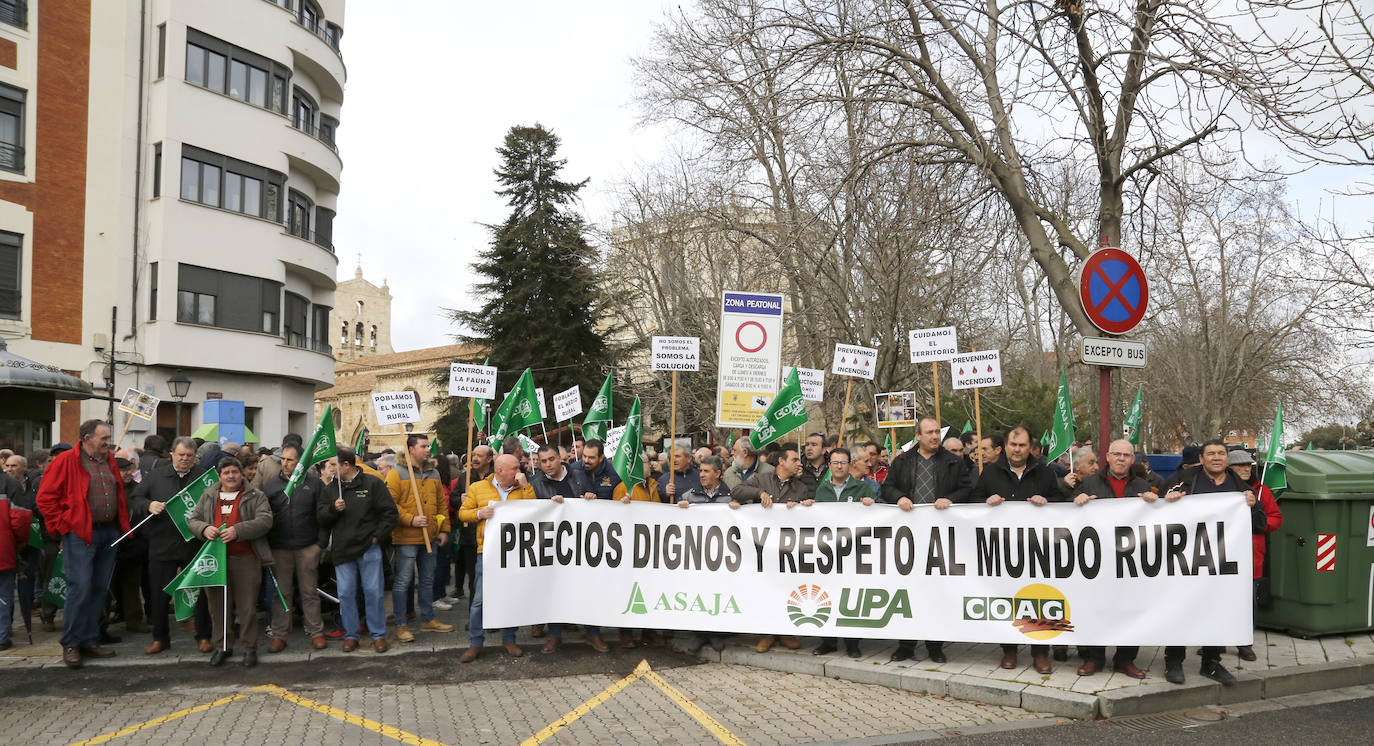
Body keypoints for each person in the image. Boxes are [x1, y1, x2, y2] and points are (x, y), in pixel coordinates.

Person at [966, 425, 1065, 674]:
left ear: (1030, 448)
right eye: (1013, 445)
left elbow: (1060, 502)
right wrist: (986, 502)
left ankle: (1040, 653)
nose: (1017, 450)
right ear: (1006, 447)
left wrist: (1047, 501)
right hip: (1003, 549)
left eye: (1022, 445)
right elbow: (973, 501)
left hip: (1037, 549)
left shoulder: (1044, 472)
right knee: (1007, 598)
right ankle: (1009, 650)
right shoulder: (990, 472)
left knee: (1039, 598)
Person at [1159, 439, 1257, 686]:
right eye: (1211, 453)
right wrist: (1166, 500)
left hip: (1222, 563)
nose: (1216, 457)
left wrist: (1252, 507)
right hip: (1186, 560)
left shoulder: (1241, 487)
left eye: (1221, 453)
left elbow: (1261, 523)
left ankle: (1211, 663)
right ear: (1201, 459)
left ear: (1227, 458)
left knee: (1218, 611)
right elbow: (1157, 510)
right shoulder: (1183, 481)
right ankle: (1174, 661)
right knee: (1180, 610)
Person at [37, 420, 131, 668]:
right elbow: (45, 498)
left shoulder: (109, 460)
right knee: (80, 587)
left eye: (108, 437)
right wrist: (63, 525)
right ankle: (71, 642)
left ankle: (89, 639)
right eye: (103, 438)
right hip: (81, 533)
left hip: (108, 532)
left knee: (99, 588)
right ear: (87, 438)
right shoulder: (66, 460)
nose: (108, 441)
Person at [883, 417, 971, 663]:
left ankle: (935, 645)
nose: (934, 436)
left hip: (939, 537)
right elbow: (887, 488)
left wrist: (951, 499)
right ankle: (906, 645)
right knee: (908, 590)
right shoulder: (902, 461)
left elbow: (967, 489)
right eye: (929, 432)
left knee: (937, 592)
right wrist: (899, 497)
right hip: (909, 537)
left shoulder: (953, 462)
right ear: (918, 436)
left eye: (937, 432)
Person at [1068, 440, 1154, 679]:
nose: (1121, 459)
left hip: (1130, 561)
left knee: (1131, 609)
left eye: (1126, 455)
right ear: (1107, 456)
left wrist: (1153, 504)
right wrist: (1077, 500)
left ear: (1132, 459)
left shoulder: (1141, 485)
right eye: (1117, 454)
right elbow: (1067, 511)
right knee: (1095, 608)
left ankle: (1125, 660)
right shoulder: (1090, 483)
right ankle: (1093, 658)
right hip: (1098, 559)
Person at [127, 436, 215, 655]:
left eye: (189, 456)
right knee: (159, 594)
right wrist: (149, 505)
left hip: (195, 544)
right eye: (181, 455)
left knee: (200, 593)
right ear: (172, 454)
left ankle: (204, 636)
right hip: (162, 543)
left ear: (195, 457)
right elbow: (135, 498)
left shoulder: (204, 477)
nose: (185, 459)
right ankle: (160, 638)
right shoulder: (156, 476)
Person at [187, 456, 273, 667]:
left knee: (247, 608)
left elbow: (265, 520)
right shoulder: (208, 495)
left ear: (241, 474)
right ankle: (222, 647)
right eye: (226, 473)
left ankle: (249, 648)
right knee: (218, 607)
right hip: (215, 562)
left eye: (234, 472)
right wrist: (204, 529)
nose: (231, 476)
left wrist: (238, 530)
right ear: (219, 476)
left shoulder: (256, 495)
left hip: (246, 559)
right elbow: (193, 520)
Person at [318, 449, 397, 652]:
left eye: (333, 464)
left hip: (369, 548)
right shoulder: (330, 489)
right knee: (345, 594)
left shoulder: (372, 484)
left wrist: (377, 536)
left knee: (374, 593)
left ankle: (378, 635)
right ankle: (351, 634)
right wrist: (333, 509)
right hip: (343, 550)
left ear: (346, 465)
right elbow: (321, 517)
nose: (329, 469)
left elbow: (389, 513)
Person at [458, 454, 535, 662]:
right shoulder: (477, 488)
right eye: (515, 468)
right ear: (500, 470)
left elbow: (534, 510)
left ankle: (509, 639)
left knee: (510, 596)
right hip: (488, 551)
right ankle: (475, 643)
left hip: (514, 552)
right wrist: (479, 514)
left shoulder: (522, 488)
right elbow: (463, 514)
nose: (519, 471)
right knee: (480, 600)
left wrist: (526, 487)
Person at [732, 445, 808, 653]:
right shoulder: (761, 479)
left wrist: (803, 506)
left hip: (787, 549)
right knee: (765, 590)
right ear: (781, 462)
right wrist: (759, 493)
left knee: (786, 589)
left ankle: (785, 632)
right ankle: (766, 633)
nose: (799, 463)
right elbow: (737, 491)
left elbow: (807, 514)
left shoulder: (800, 488)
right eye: (794, 459)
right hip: (762, 547)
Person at [385, 434, 454, 643]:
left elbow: (441, 503)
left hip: (430, 537)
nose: (427, 449)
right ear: (411, 449)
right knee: (403, 581)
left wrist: (443, 530)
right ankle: (401, 624)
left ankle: (428, 618)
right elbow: (390, 505)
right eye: (423, 446)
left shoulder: (434, 473)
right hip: (406, 538)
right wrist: (410, 520)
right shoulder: (396, 473)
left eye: (427, 446)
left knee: (427, 580)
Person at [812, 447, 877, 659]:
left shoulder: (862, 488)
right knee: (827, 596)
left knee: (851, 596)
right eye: (835, 463)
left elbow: (877, 517)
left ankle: (852, 643)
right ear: (829, 466)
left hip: (854, 553)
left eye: (843, 462)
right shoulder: (822, 490)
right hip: (829, 554)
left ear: (850, 464)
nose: (839, 466)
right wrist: (807, 508)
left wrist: (872, 505)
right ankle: (828, 641)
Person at [264, 443, 327, 653]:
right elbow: (264, 515)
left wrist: (320, 544)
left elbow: (323, 515)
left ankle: (316, 632)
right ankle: (279, 634)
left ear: (300, 461)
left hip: (307, 546)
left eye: (290, 459)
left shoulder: (314, 484)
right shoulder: (272, 485)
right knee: (282, 593)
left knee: (309, 591)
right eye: (283, 459)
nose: (284, 463)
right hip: (280, 548)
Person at [1227, 449, 1282, 663]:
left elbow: (1276, 518)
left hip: (1251, 557)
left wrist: (1260, 525)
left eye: (1248, 465)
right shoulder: (1220, 490)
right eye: (1239, 465)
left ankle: (1245, 644)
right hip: (1223, 556)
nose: (1245, 469)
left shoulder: (1262, 492)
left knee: (1248, 603)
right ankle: (1214, 644)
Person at [677, 455, 732, 655]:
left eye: (706, 471)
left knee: (717, 592)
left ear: (718, 473)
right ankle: (699, 634)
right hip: (696, 555)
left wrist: (737, 508)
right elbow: (674, 518)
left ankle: (715, 632)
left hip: (720, 556)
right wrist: (679, 507)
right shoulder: (689, 496)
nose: (701, 474)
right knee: (698, 592)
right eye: (700, 470)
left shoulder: (729, 497)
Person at [0, 477, 32, 650]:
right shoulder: (8, 483)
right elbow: (21, 518)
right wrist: (20, 541)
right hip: (3, 547)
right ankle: (1, 637)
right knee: (3, 593)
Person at [798, 433, 828, 497]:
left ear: (823, 450)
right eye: (807, 445)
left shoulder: (832, 468)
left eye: (814, 445)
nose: (809, 448)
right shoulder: (798, 468)